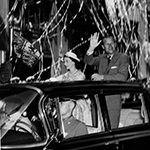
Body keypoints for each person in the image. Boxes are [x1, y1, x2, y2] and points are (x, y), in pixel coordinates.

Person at [84, 32, 129, 129]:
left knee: (111, 131)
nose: (110, 46)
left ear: (115, 44)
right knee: (99, 130)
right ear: (103, 47)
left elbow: (122, 77)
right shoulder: (101, 58)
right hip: (99, 101)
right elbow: (88, 61)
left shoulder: (122, 57)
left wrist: (102, 77)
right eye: (107, 44)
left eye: (112, 43)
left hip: (113, 101)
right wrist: (91, 48)